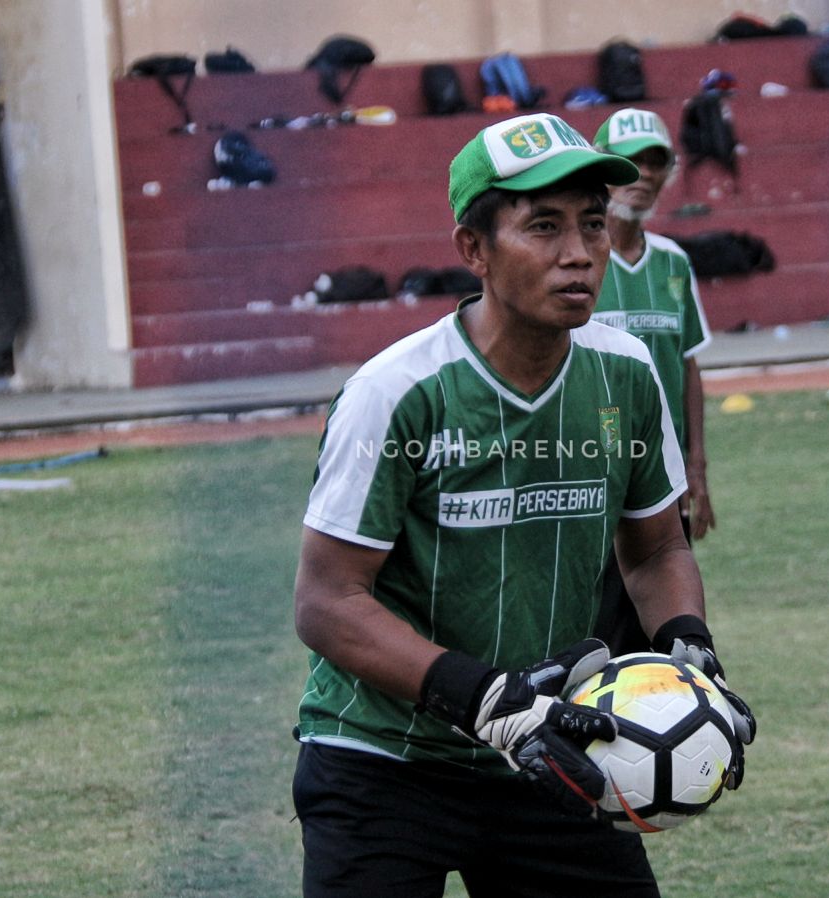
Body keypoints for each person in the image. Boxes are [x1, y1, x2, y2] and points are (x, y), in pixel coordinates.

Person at [292, 112, 755, 897]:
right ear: (473, 249)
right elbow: (328, 602)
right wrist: (487, 702)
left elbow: (657, 549)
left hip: (554, 751)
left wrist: (688, 646)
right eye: (543, 226)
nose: (578, 253)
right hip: (386, 758)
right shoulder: (396, 394)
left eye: (592, 224)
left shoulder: (628, 374)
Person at [587, 107, 717, 656]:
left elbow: (688, 365)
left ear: (670, 172)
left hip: (659, 479)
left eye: (654, 161)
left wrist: (697, 467)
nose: (641, 174)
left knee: (667, 634)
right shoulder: (577, 261)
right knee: (595, 637)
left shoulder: (673, 263)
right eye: (628, 162)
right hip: (591, 471)